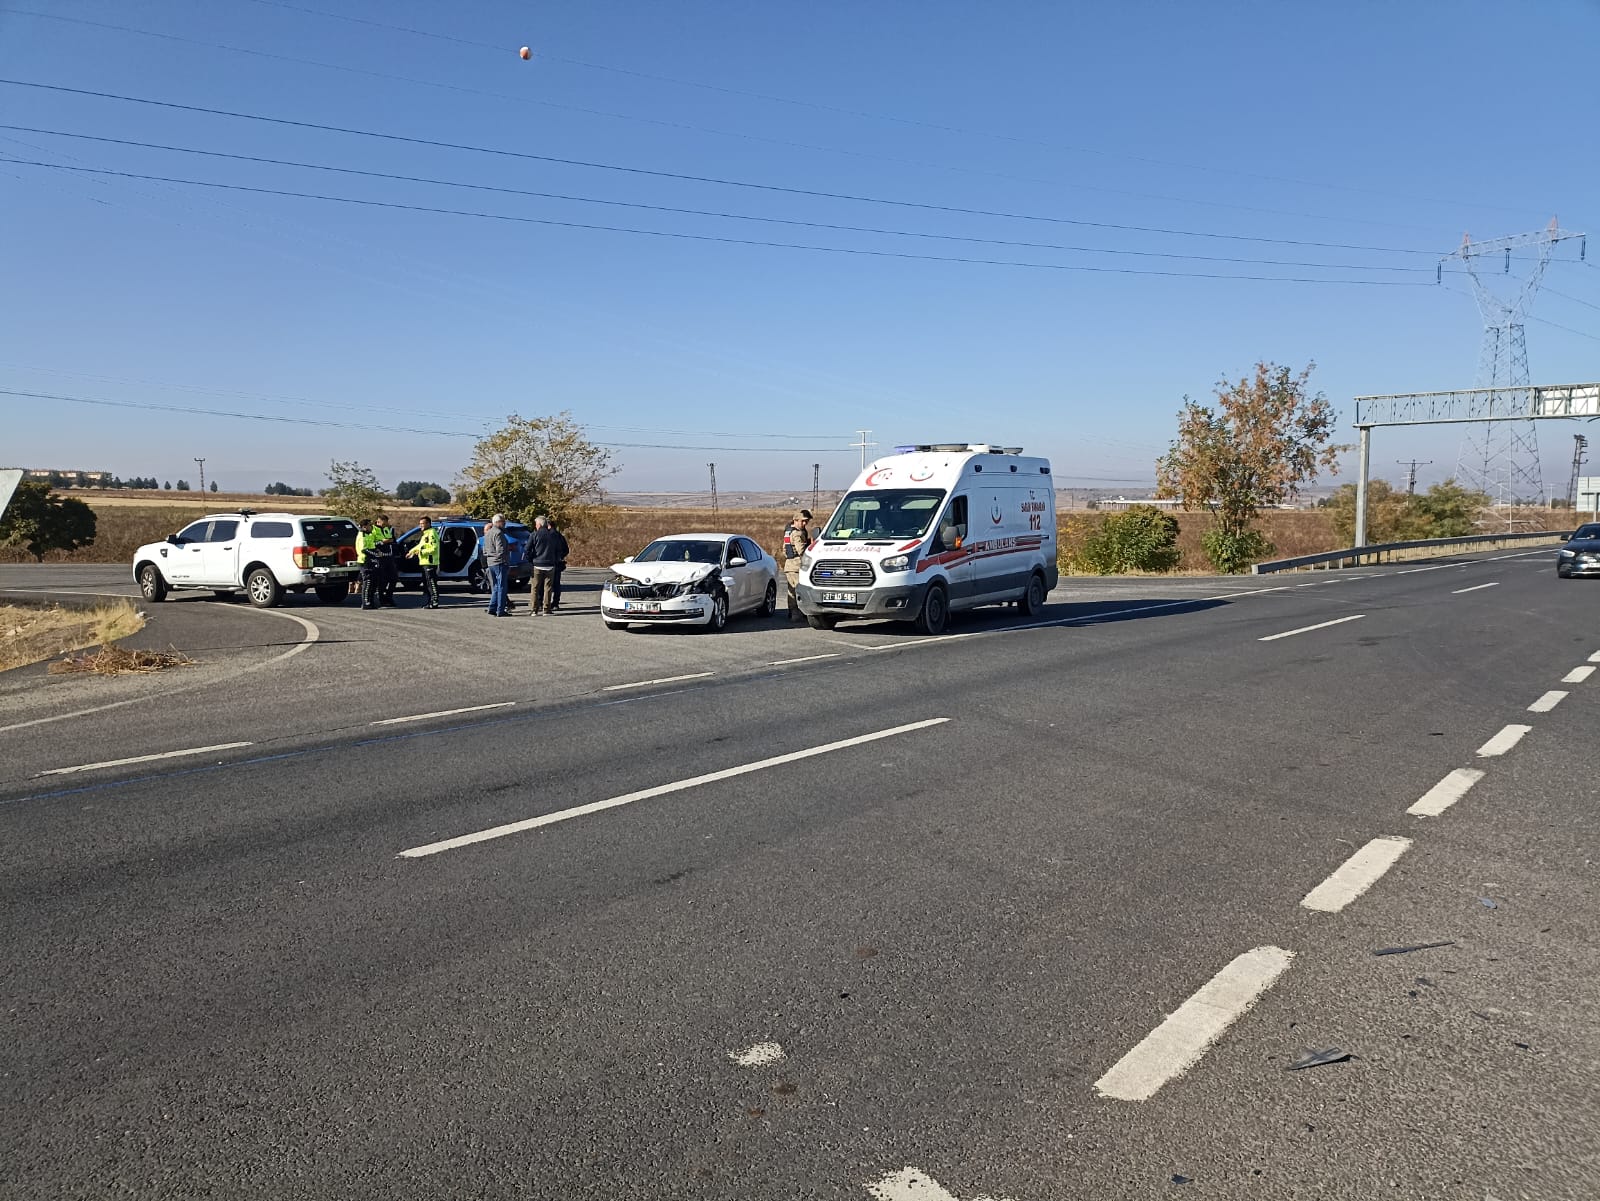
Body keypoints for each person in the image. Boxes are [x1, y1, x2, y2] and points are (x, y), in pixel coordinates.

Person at [526, 514, 567, 615]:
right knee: (548, 588)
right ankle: (547, 609)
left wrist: (531, 560)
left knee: (535, 588)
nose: (535, 526)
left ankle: (534, 609)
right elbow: (559, 550)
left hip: (537, 564)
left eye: (536, 524)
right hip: (550, 564)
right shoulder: (553, 535)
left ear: (539, 524)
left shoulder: (534, 535)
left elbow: (527, 549)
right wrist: (556, 559)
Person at [783, 509, 815, 622]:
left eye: (806, 521)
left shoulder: (789, 531)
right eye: (803, 521)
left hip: (789, 565)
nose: (805, 524)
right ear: (796, 520)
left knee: (791, 590)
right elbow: (801, 551)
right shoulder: (797, 533)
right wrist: (811, 546)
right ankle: (797, 613)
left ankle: (793, 612)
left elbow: (784, 550)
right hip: (796, 565)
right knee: (799, 590)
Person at [406, 515, 442, 609]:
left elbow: (434, 548)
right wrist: (411, 552)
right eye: (420, 523)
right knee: (427, 584)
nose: (421, 525)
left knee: (431, 583)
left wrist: (420, 552)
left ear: (428, 524)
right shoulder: (425, 534)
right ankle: (430, 601)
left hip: (430, 562)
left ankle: (434, 601)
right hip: (424, 562)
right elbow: (420, 546)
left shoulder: (432, 533)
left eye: (423, 523)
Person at [482, 513, 511, 617]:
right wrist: (504, 559)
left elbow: (484, 550)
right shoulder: (498, 533)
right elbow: (501, 550)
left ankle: (492, 607)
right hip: (499, 562)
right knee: (502, 587)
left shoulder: (488, 533)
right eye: (503, 521)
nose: (504, 523)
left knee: (495, 587)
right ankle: (500, 610)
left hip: (490, 562)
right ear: (497, 522)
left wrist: (491, 556)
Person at [371, 512, 398, 607]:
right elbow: (372, 544)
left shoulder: (387, 529)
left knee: (394, 578)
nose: (386, 524)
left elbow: (392, 540)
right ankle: (381, 598)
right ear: (378, 521)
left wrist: (390, 541)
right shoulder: (373, 530)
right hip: (379, 558)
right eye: (384, 522)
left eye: (387, 522)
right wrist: (382, 542)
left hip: (389, 557)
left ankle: (389, 596)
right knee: (381, 580)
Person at [355, 517, 380, 609]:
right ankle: (366, 602)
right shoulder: (362, 536)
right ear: (364, 527)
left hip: (371, 561)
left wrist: (377, 550)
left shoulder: (369, 534)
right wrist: (375, 554)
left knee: (373, 582)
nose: (372, 527)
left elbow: (373, 545)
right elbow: (364, 549)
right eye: (370, 525)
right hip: (364, 561)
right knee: (368, 582)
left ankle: (371, 601)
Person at [547, 520, 569, 612]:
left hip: (549, 562)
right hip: (558, 562)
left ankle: (543, 602)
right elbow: (566, 550)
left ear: (549, 526)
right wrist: (560, 556)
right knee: (556, 584)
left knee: (546, 584)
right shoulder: (560, 536)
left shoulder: (548, 536)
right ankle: (556, 603)